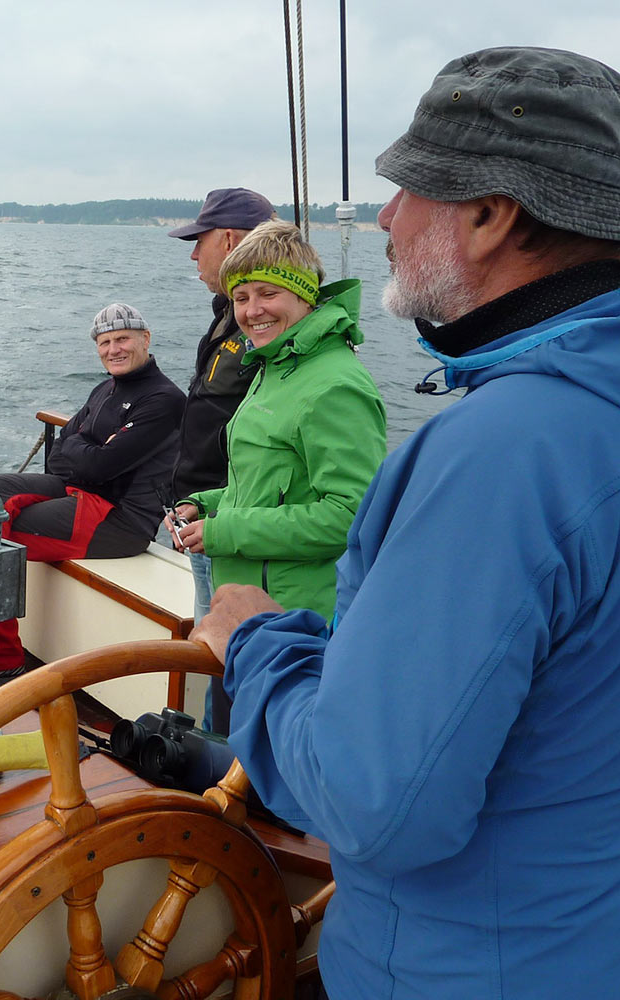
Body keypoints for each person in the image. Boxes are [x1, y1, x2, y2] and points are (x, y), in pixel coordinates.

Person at [191, 47, 620, 999]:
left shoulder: (504, 451)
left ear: (491, 214)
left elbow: (374, 805)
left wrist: (256, 644)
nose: (385, 218)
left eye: (406, 189)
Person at [168, 220, 385, 732]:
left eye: (268, 294)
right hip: (243, 618)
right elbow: (268, 483)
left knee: (256, 765)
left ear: (305, 295)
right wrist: (208, 504)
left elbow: (350, 517)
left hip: (293, 626)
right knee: (222, 744)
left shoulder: (335, 385)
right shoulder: (275, 366)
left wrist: (223, 531)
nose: (252, 311)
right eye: (241, 298)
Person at [0, 303, 183, 681]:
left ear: (145, 339)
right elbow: (61, 455)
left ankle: (1, 658)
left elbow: (95, 464)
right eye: (105, 342)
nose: (113, 349)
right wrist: (90, 450)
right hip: (77, 491)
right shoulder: (104, 390)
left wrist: (85, 450)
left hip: (118, 519)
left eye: (122, 339)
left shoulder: (164, 400)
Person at [167, 188, 277, 623]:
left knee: (224, 637)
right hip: (206, 514)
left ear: (229, 240)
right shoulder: (229, 316)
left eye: (200, 241)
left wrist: (220, 517)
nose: (194, 255)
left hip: (231, 529)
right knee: (209, 629)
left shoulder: (260, 329)